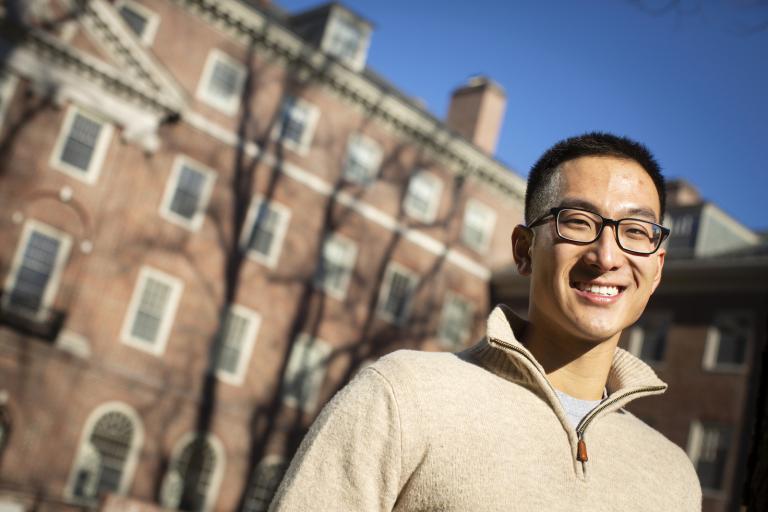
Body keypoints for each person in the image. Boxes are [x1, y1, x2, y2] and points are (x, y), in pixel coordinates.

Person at [269, 132, 702, 511]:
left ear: (657, 267)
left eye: (636, 231)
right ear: (524, 250)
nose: (606, 256)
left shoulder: (674, 479)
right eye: (578, 222)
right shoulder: (402, 397)